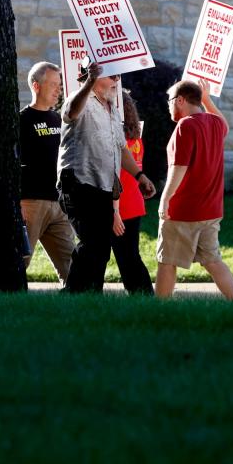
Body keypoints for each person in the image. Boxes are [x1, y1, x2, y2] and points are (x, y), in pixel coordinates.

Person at [57, 62, 155, 293]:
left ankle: (90, 297)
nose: (117, 80)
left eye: (119, 75)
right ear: (92, 75)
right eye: (111, 75)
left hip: (104, 186)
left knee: (100, 248)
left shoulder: (111, 108)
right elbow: (70, 113)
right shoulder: (79, 100)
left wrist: (139, 175)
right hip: (78, 183)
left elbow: (121, 148)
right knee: (92, 243)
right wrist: (90, 81)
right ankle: (75, 295)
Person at [155, 78, 233, 300]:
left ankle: (159, 311)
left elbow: (178, 168)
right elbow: (225, 125)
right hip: (210, 210)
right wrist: (207, 100)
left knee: (167, 261)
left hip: (183, 211)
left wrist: (165, 199)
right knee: (213, 260)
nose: (169, 106)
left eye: (170, 101)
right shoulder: (215, 123)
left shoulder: (186, 125)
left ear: (180, 100)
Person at [19, 61, 75, 284]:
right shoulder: (21, 120)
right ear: (36, 86)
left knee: (72, 269)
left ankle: (76, 311)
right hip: (30, 203)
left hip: (59, 205)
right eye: (53, 84)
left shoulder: (59, 120)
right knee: (19, 262)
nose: (58, 90)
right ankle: (6, 306)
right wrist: (17, 202)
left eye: (59, 85)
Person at [110, 91, 154, 295]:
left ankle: (142, 294)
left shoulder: (116, 138)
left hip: (121, 202)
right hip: (134, 201)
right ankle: (141, 294)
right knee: (130, 255)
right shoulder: (135, 138)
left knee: (126, 257)